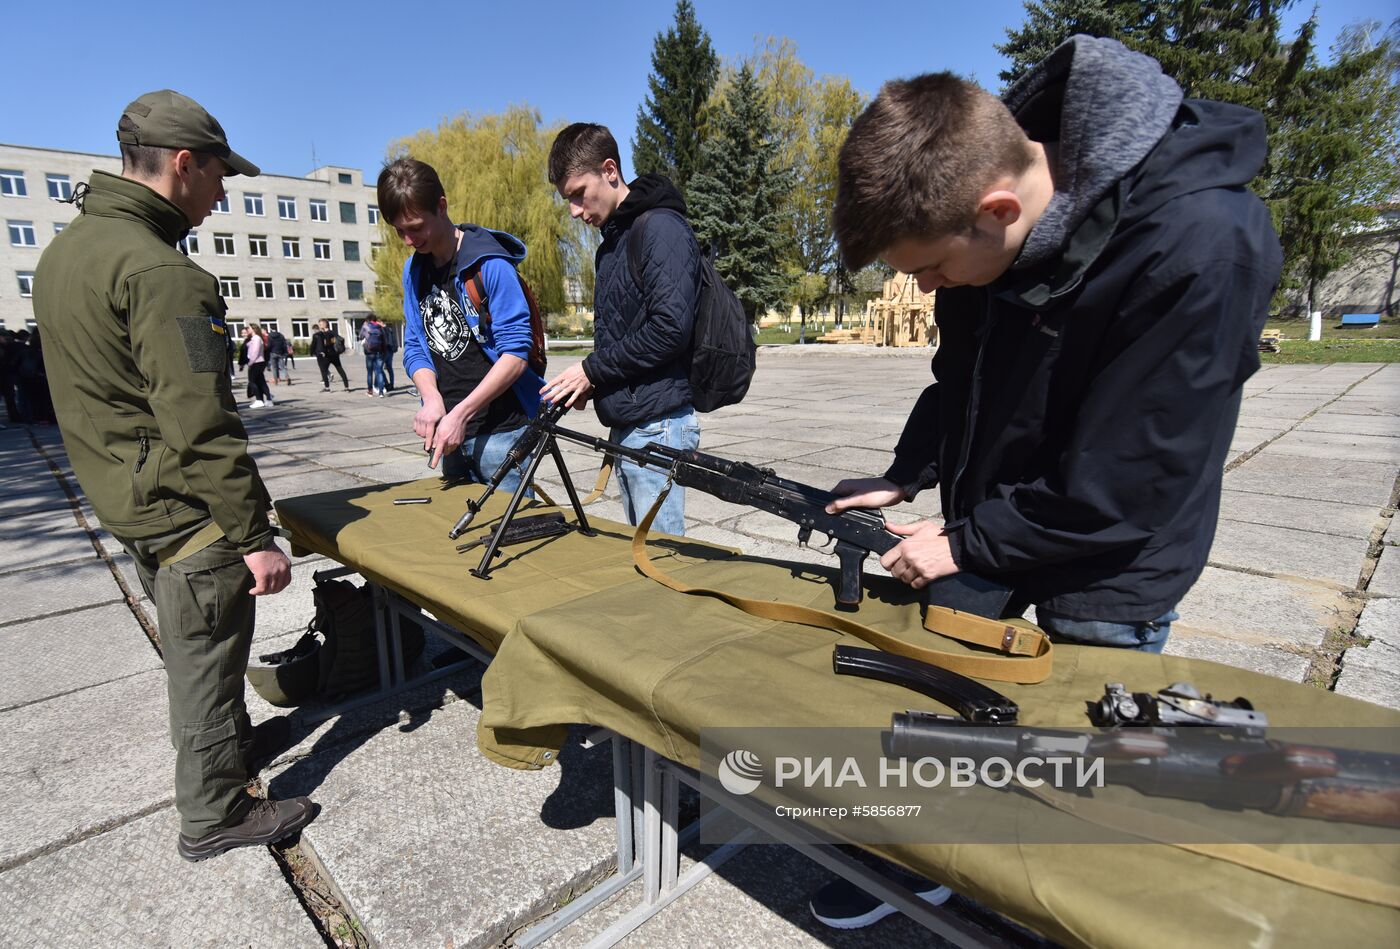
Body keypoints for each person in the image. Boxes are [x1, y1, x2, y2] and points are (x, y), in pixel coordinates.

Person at [811, 35, 1283, 928]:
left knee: (1086, 756)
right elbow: (962, 376)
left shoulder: (1200, 246)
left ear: (996, 210)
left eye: (931, 271)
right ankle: (939, 851)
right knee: (946, 691)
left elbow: (1127, 486)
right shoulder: (978, 210)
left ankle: (1067, 896)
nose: (928, 287)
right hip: (996, 518)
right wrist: (909, 474)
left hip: (1111, 561)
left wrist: (962, 539)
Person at [32, 89, 316, 863]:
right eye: (221, 174)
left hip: (125, 495)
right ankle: (215, 810)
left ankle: (229, 752)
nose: (225, 192)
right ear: (183, 165)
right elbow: (202, 424)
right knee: (205, 657)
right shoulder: (162, 273)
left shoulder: (67, 253)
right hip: (186, 511)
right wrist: (254, 534)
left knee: (200, 651)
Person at [542, 123, 701, 536]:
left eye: (579, 193)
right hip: (632, 421)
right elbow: (629, 334)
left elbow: (670, 329)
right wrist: (593, 383)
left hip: (657, 425)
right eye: (567, 200)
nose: (575, 210)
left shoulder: (660, 227)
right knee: (644, 559)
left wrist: (592, 370)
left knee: (663, 563)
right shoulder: (612, 243)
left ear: (610, 170)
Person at [379, 158, 546, 488]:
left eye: (415, 227)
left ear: (441, 207)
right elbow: (416, 346)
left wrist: (461, 413)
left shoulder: (491, 265)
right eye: (399, 231)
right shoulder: (414, 272)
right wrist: (432, 399)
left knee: (514, 537)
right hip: (450, 435)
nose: (408, 240)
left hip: (503, 435)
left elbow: (515, 356)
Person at [311, 319, 349, 391]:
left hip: (328, 355)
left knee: (324, 370)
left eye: (321, 324)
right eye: (319, 324)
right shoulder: (333, 332)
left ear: (325, 324)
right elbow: (334, 342)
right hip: (335, 354)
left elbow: (327, 344)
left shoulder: (323, 334)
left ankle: (327, 387)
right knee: (340, 370)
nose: (320, 326)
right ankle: (346, 387)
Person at [243, 322, 274, 408]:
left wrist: (250, 362)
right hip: (258, 362)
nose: (247, 330)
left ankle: (259, 400)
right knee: (261, 382)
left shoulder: (256, 338)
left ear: (253, 329)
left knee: (252, 381)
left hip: (256, 362)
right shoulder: (255, 338)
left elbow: (255, 352)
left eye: (248, 328)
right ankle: (268, 399)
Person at [359, 315, 389, 397]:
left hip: (369, 352)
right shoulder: (379, 327)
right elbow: (384, 340)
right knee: (379, 372)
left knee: (369, 372)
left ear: (368, 320)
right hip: (379, 352)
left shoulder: (366, 326)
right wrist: (384, 351)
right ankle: (381, 392)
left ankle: (370, 391)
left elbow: (360, 336)